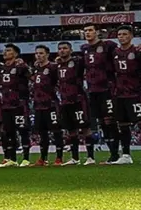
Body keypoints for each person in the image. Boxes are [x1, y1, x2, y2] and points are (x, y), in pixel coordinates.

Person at [81, 25, 119, 164]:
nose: (88, 33)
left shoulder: (108, 45)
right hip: (92, 90)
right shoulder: (84, 48)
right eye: (85, 31)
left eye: (90, 30)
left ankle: (118, 154)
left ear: (97, 32)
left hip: (107, 89)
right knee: (102, 122)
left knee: (110, 120)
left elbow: (119, 56)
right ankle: (112, 155)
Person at [56, 41, 95, 166]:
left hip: (78, 100)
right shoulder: (56, 66)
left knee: (85, 128)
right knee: (71, 130)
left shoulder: (77, 62)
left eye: (65, 48)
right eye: (60, 49)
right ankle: (75, 158)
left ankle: (90, 157)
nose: (62, 50)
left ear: (71, 50)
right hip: (64, 101)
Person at [0, 44, 31, 168]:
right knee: (8, 132)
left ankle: (26, 159)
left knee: (23, 130)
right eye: (5, 50)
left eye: (8, 50)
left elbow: (31, 76)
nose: (5, 52)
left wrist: (24, 65)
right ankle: (12, 159)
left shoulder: (20, 66)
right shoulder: (1, 68)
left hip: (19, 104)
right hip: (5, 105)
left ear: (16, 54)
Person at [110, 26, 140, 165]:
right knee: (123, 124)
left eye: (124, 34)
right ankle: (126, 155)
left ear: (131, 36)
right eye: (119, 34)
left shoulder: (137, 51)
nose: (121, 36)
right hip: (120, 94)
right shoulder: (114, 52)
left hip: (135, 93)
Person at [31, 45, 64, 166]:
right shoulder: (36, 69)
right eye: (37, 53)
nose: (38, 55)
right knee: (42, 133)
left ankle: (59, 158)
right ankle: (43, 158)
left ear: (47, 54)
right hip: (38, 105)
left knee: (56, 131)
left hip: (51, 104)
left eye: (41, 53)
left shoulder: (53, 67)